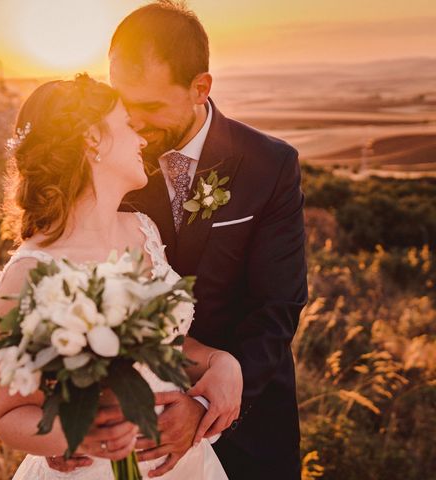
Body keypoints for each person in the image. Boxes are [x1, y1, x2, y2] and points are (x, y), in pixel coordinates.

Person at [49, 2, 308, 479]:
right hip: (129, 435)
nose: (135, 121)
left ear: (200, 88)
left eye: (148, 106)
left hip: (248, 426)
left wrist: (206, 401)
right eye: (123, 103)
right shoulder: (111, 162)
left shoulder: (269, 166)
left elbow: (278, 306)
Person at [0, 74, 230, 479]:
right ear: (93, 139)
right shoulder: (29, 274)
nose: (142, 139)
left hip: (184, 464)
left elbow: (163, 345)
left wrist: (220, 363)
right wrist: (81, 434)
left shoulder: (142, 229)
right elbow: (10, 413)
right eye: (128, 126)